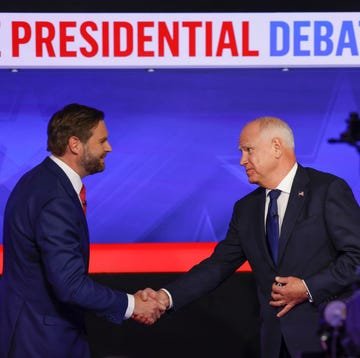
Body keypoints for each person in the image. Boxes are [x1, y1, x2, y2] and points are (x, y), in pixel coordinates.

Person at [138, 116, 360, 358]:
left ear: (277, 147)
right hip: (274, 343)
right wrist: (165, 297)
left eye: (248, 150)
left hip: (325, 338)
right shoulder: (246, 209)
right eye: (241, 152)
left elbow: (357, 257)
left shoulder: (327, 190)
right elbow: (218, 266)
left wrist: (307, 288)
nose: (242, 160)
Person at [0, 103, 165, 358]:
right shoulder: (55, 196)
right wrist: (132, 305)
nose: (108, 148)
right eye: (103, 141)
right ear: (75, 144)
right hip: (41, 340)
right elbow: (70, 285)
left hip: (38, 331)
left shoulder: (40, 180)